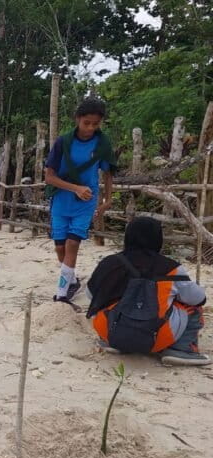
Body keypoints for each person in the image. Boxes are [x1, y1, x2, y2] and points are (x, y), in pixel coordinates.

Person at [86, 217, 210, 366]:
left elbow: (90, 295)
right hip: (157, 337)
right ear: (158, 239)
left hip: (110, 330)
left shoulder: (110, 263)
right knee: (193, 307)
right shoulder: (171, 268)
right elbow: (199, 298)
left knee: (105, 299)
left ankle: (114, 342)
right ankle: (182, 349)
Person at [45, 97, 117, 305]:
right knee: (60, 247)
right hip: (61, 199)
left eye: (96, 124)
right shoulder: (63, 142)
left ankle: (61, 294)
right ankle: (72, 281)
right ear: (77, 119)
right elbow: (49, 177)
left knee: (72, 243)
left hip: (86, 200)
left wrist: (107, 200)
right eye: (87, 123)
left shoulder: (102, 143)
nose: (90, 128)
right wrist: (75, 188)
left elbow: (108, 173)